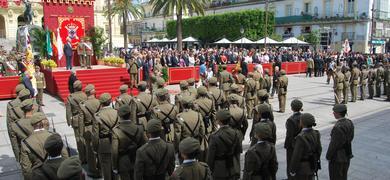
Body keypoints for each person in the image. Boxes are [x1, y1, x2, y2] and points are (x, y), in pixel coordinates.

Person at [20, 112, 68, 179]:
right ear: (44, 122)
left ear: (33, 125)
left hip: (38, 174)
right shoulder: (53, 135)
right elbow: (65, 156)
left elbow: (26, 168)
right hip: (56, 171)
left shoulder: (25, 142)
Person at [111, 105, 147, 180]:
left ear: (119, 115)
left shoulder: (116, 131)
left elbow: (114, 151)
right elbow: (146, 145)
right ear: (130, 114)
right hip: (137, 159)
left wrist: (114, 166)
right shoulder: (139, 128)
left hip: (123, 162)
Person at [207, 110, 241, 180]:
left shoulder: (214, 136)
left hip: (219, 169)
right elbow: (238, 152)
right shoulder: (236, 133)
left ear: (218, 121)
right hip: (232, 167)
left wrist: (209, 171)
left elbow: (210, 157)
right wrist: (238, 168)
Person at [289, 113, 322, 180]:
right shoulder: (316, 133)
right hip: (312, 165)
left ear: (302, 123)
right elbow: (319, 149)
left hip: (302, 168)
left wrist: (292, 170)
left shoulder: (300, 137)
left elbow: (296, 156)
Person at [94, 93, 118, 180]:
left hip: (104, 144)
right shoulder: (116, 112)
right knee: (116, 167)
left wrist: (95, 148)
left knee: (106, 168)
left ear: (101, 103)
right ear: (111, 101)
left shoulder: (97, 116)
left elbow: (95, 135)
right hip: (116, 141)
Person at [326, 104, 354, 180]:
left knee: (335, 176)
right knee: (344, 176)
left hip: (337, 158)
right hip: (347, 153)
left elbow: (333, 145)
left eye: (334, 112)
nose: (333, 113)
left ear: (338, 113)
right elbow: (351, 137)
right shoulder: (349, 122)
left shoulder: (337, 127)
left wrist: (328, 156)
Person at [79, 84, 101, 178]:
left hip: (88, 128)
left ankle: (92, 170)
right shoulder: (99, 102)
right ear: (93, 91)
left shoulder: (83, 105)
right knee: (99, 148)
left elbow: (81, 121)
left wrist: (81, 133)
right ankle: (100, 167)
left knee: (90, 150)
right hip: (99, 127)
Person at [177, 96, 206, 162]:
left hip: (185, 143)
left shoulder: (179, 116)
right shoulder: (198, 115)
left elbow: (177, 135)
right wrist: (199, 141)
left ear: (182, 105)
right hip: (196, 141)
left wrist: (177, 148)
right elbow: (202, 131)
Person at [65, 80, 87, 164]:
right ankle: (89, 156)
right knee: (87, 138)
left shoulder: (70, 97)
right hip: (86, 118)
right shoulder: (85, 95)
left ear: (74, 88)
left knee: (79, 139)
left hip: (76, 119)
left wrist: (69, 121)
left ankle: (82, 158)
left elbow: (68, 110)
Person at [284, 99, 303, 180]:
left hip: (292, 145)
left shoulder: (291, 120)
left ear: (292, 108)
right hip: (301, 143)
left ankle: (291, 178)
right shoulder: (303, 117)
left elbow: (289, 135)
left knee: (291, 162)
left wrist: (286, 145)